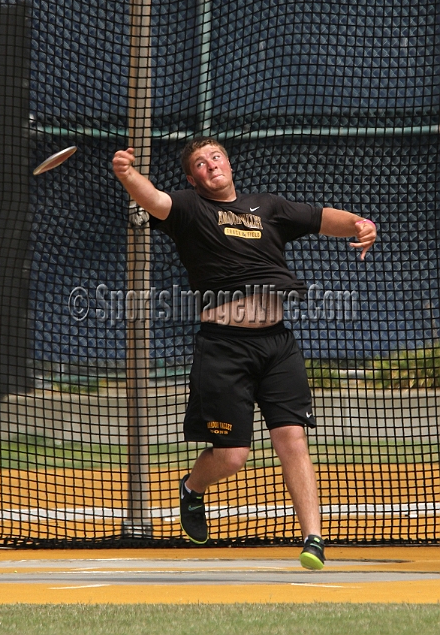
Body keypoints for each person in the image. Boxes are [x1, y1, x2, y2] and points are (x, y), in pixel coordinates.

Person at [113, 137, 376, 570]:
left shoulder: (266, 207)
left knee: (292, 438)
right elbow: (154, 200)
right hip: (224, 347)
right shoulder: (189, 209)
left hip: (277, 345)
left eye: (215, 157)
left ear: (228, 164)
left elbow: (324, 218)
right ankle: (192, 490)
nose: (210, 165)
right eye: (200, 163)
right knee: (233, 456)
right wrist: (127, 174)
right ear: (192, 177)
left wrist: (361, 224)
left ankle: (313, 540)